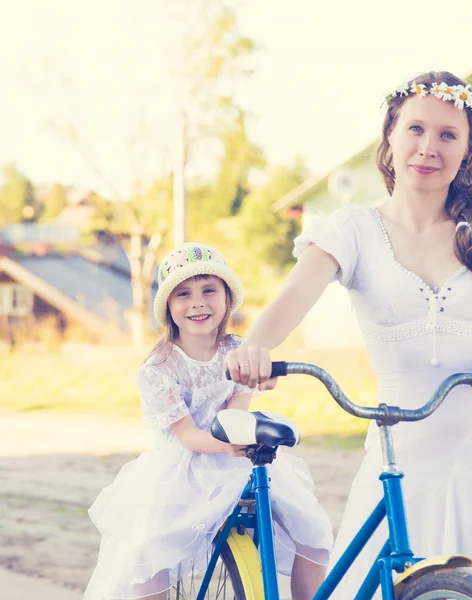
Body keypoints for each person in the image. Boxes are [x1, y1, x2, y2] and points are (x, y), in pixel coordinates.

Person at [226, 72, 472, 599]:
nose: (428, 147)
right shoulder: (351, 230)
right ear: (390, 137)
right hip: (401, 447)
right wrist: (256, 349)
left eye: (448, 135)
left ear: (468, 151)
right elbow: (289, 305)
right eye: (415, 129)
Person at [83, 242, 333, 600]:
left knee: (310, 523)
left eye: (209, 290)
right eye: (183, 294)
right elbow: (186, 435)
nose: (197, 302)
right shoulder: (159, 369)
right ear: (168, 307)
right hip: (184, 466)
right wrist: (231, 446)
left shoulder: (239, 350)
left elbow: (236, 412)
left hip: (235, 456)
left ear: (227, 299)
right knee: (150, 549)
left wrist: (251, 408)